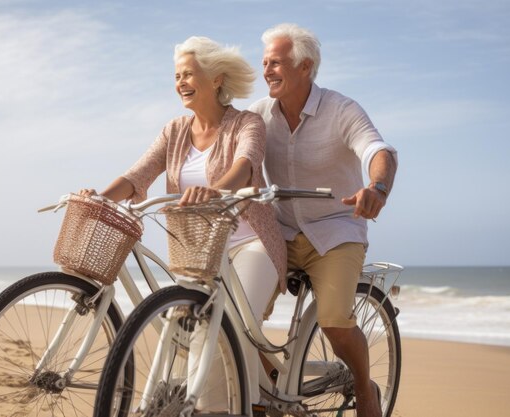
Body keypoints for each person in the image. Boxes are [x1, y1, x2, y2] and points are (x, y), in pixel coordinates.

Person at [80, 36, 286, 409]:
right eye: (177, 76)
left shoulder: (247, 123)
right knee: (190, 333)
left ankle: (228, 407)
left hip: (251, 242)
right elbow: (137, 175)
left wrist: (215, 191)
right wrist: (99, 197)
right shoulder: (174, 130)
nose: (180, 83)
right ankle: (251, 393)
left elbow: (245, 164)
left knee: (226, 330)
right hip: (199, 249)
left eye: (189, 74)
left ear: (216, 79)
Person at [249, 24, 398, 417]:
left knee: (333, 321)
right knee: (235, 313)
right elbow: (233, 152)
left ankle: (366, 391)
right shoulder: (259, 115)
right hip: (279, 232)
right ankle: (270, 389)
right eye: (264, 63)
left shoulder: (341, 109)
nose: (267, 70)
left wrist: (376, 189)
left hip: (336, 231)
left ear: (305, 66)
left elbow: (378, 150)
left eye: (276, 63)